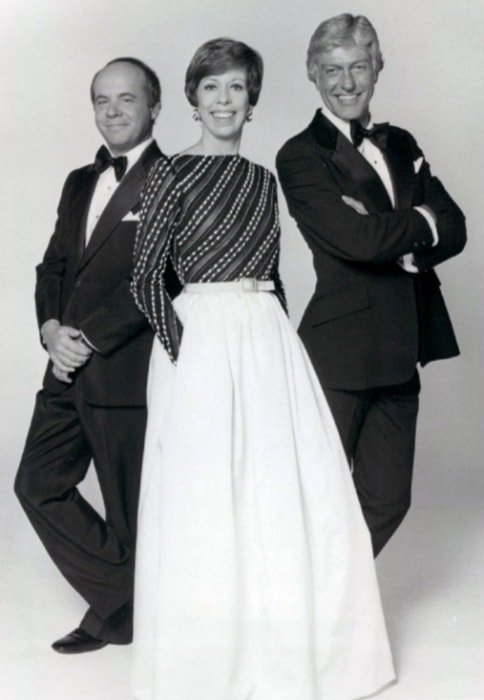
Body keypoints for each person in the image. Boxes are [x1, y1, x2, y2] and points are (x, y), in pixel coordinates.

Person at [131, 37, 394, 700]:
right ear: (193, 98)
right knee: (206, 496)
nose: (225, 100)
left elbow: (273, 275)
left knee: (280, 491)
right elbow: (144, 280)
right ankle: (208, 671)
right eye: (212, 87)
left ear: (253, 100)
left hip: (265, 336)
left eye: (237, 88)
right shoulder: (169, 173)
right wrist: (184, 353)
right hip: (198, 338)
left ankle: (283, 662)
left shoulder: (264, 181)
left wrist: (280, 343)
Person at [276, 14, 466, 557]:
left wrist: (396, 231)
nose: (347, 82)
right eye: (332, 70)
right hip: (339, 355)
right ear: (313, 74)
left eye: (359, 66)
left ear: (377, 68)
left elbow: (455, 226)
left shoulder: (401, 142)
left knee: (387, 501)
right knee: (316, 497)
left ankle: (333, 607)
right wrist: (418, 221)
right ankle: (300, 619)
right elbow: (355, 241)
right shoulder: (300, 155)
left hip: (403, 347)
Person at [14, 57, 174, 654]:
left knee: (128, 506)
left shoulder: (171, 178)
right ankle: (126, 599)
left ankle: (122, 614)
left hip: (123, 370)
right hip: (63, 365)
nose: (112, 111)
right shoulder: (79, 179)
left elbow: (160, 277)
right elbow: (53, 265)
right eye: (102, 100)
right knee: (37, 483)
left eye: (126, 99)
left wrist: (88, 338)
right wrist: (52, 329)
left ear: (154, 106)